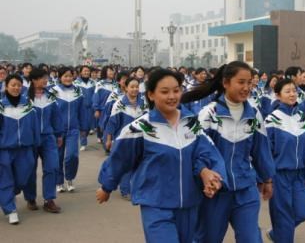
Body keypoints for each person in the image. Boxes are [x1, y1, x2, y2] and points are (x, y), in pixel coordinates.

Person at [97, 69, 226, 243]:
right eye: (164, 92)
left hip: (188, 204)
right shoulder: (140, 128)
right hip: (155, 204)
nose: (172, 96)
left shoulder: (191, 124)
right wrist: (107, 186)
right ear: (151, 95)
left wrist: (213, 175)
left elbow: (210, 153)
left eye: (176, 90)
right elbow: (120, 158)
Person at [187, 61, 275, 243]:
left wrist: (267, 178)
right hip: (215, 193)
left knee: (251, 239)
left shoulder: (254, 114)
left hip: (245, 189)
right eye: (241, 82)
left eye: (249, 83)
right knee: (207, 239)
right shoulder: (209, 114)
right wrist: (203, 174)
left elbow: (261, 150)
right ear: (226, 83)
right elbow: (196, 153)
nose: (246, 87)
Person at [265, 78, 305, 242]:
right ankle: (282, 236)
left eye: (294, 91)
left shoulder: (303, 118)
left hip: (300, 175)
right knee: (283, 217)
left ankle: (276, 234)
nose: (292, 94)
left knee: (301, 213)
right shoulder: (272, 120)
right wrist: (266, 178)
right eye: (287, 91)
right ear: (278, 95)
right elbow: (266, 152)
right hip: (279, 175)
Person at [0, 74, 39, 224]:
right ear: (6, 86)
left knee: (24, 176)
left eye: (19, 85)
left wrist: (36, 141)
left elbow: (34, 125)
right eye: (13, 85)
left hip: (25, 148)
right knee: (5, 179)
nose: (16, 88)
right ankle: (11, 210)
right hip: (5, 149)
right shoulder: (1, 105)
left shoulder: (27, 103)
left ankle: (8, 193)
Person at [22, 68, 62, 213]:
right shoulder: (24, 97)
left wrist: (59, 134)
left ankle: (49, 199)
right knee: (30, 169)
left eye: (46, 78)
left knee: (52, 167)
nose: (45, 80)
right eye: (41, 78)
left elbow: (56, 117)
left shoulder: (50, 97)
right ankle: (30, 198)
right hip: (30, 139)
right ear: (33, 80)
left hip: (48, 137)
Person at [103, 77, 148, 199]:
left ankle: (137, 187)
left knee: (139, 164)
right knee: (126, 164)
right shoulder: (119, 104)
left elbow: (148, 122)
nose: (134, 89)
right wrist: (108, 139)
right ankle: (125, 190)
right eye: (132, 87)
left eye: (136, 87)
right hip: (124, 139)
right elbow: (112, 122)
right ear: (126, 88)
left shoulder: (144, 103)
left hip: (140, 139)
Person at [51, 66, 85, 192]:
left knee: (72, 156)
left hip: (73, 129)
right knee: (58, 157)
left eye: (70, 76)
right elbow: (51, 112)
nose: (68, 78)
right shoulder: (54, 91)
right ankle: (59, 182)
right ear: (60, 77)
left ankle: (69, 178)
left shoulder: (78, 91)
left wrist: (83, 126)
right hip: (58, 131)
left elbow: (82, 110)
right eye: (65, 76)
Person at [92, 66, 117, 143]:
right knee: (103, 125)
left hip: (114, 109)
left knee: (111, 126)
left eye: (112, 71)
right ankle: (103, 139)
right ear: (105, 72)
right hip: (103, 109)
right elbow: (96, 96)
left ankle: (109, 142)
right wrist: (96, 109)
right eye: (109, 71)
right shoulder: (100, 84)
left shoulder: (116, 84)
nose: (111, 72)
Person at [74, 66, 96, 151]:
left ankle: (85, 137)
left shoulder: (93, 83)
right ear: (81, 72)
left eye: (88, 71)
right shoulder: (76, 83)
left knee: (90, 126)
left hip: (91, 107)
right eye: (85, 71)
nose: (86, 72)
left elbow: (95, 94)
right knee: (83, 126)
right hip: (81, 107)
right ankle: (83, 143)